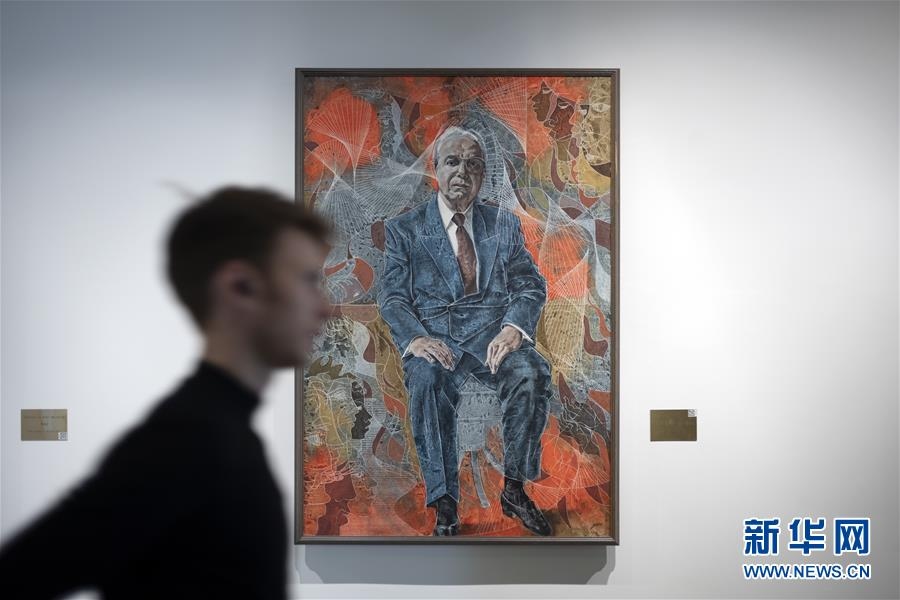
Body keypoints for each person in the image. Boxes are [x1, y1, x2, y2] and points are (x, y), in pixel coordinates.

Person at [0, 187, 331, 598]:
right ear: (241, 287)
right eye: (308, 281)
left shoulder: (218, 433)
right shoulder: (188, 440)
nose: (325, 308)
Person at [377, 127, 554, 537]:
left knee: (532, 371)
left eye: (473, 164)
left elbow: (530, 284)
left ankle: (514, 489)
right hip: (437, 339)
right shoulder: (405, 229)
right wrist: (416, 338)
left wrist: (514, 328)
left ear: (483, 174)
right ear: (435, 168)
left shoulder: (503, 225)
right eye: (453, 162)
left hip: (492, 337)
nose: (463, 172)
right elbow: (393, 297)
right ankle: (445, 503)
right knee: (426, 379)